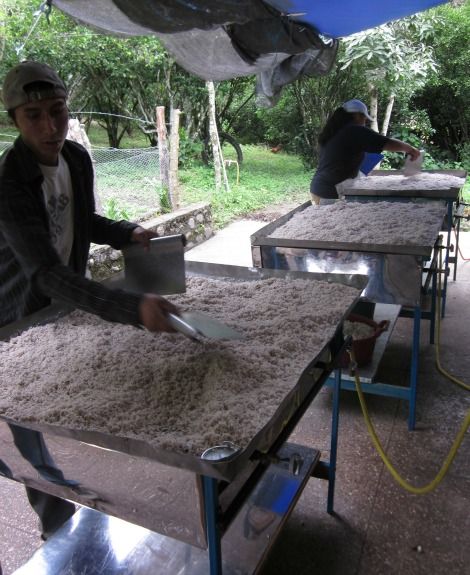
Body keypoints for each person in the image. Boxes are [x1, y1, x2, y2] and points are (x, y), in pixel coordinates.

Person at [0, 61, 178, 539]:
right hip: (15, 315)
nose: (49, 126)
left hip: (62, 306)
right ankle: (59, 525)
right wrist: (130, 307)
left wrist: (126, 233)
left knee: (64, 405)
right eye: (33, 115)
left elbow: (81, 219)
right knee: (26, 424)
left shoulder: (76, 158)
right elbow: (43, 273)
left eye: (57, 111)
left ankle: (80, 489)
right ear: (14, 121)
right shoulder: (10, 181)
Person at [310, 98, 421, 205]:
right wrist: (411, 149)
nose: (365, 120)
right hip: (328, 192)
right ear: (356, 115)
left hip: (320, 188)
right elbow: (387, 143)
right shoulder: (354, 130)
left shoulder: (336, 131)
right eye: (364, 117)